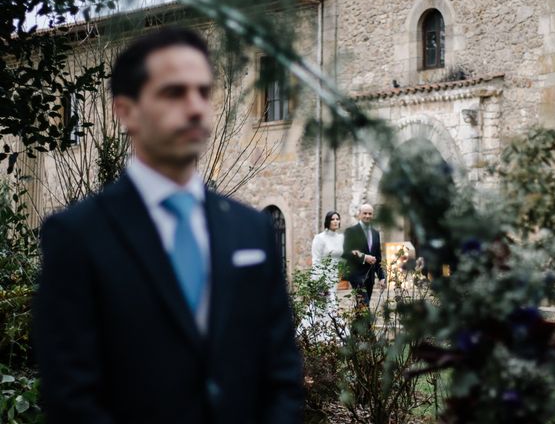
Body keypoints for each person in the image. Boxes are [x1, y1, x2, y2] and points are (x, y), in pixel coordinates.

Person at [33, 27, 303, 424]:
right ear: (125, 111)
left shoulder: (252, 230)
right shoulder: (78, 236)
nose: (195, 107)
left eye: (203, 92)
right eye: (174, 93)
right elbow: (71, 394)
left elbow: (281, 374)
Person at [342, 203, 386, 307]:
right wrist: (364, 257)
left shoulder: (376, 233)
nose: (367, 216)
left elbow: (377, 257)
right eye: (365, 213)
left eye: (370, 214)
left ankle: (358, 323)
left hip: (369, 276)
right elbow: (346, 252)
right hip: (356, 275)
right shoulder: (351, 231)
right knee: (364, 305)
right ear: (359, 214)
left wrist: (382, 277)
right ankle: (368, 324)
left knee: (362, 307)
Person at [305, 211, 344, 328]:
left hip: (334, 277)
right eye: (333, 219)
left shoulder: (341, 238)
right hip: (322, 278)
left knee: (331, 306)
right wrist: (319, 282)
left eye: (337, 219)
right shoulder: (320, 238)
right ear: (327, 221)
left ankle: (330, 336)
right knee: (323, 307)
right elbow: (316, 261)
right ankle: (317, 333)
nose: (336, 221)